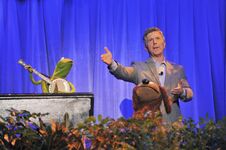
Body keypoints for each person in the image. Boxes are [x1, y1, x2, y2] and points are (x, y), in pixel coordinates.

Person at [101, 27, 193, 123]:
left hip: (174, 127)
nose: (155, 42)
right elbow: (123, 72)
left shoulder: (177, 69)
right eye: (150, 40)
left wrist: (182, 91)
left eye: (157, 39)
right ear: (146, 47)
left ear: (164, 44)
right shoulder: (139, 68)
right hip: (150, 127)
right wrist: (111, 63)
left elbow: (189, 93)